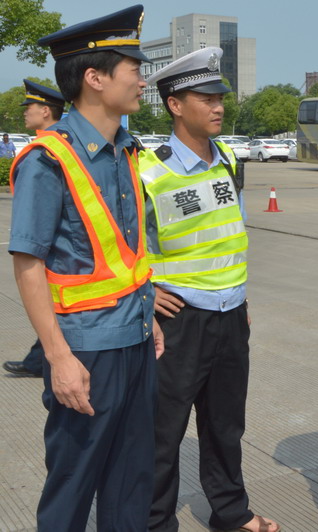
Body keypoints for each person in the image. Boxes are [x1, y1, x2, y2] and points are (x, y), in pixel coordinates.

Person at [8, 5, 164, 530]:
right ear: (95, 78)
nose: (142, 81)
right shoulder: (47, 159)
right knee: (71, 489)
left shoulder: (127, 150)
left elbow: (125, 254)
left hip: (136, 339)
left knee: (131, 483)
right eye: (134, 70)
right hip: (85, 349)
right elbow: (28, 264)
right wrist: (57, 358)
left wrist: (148, 314)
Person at [142, 47, 280, 532]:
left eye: (220, 97)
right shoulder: (147, 170)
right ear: (175, 105)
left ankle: (231, 512)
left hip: (230, 314)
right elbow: (119, 244)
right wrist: (143, 294)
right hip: (177, 319)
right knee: (163, 431)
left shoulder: (227, 158)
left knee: (225, 426)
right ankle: (155, 522)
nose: (219, 106)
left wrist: (239, 298)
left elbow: (229, 237)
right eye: (206, 98)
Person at [3, 79, 66, 379]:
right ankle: (37, 359)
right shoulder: (58, 144)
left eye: (29, 107)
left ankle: (39, 360)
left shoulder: (47, 151)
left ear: (45, 111)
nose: (25, 112)